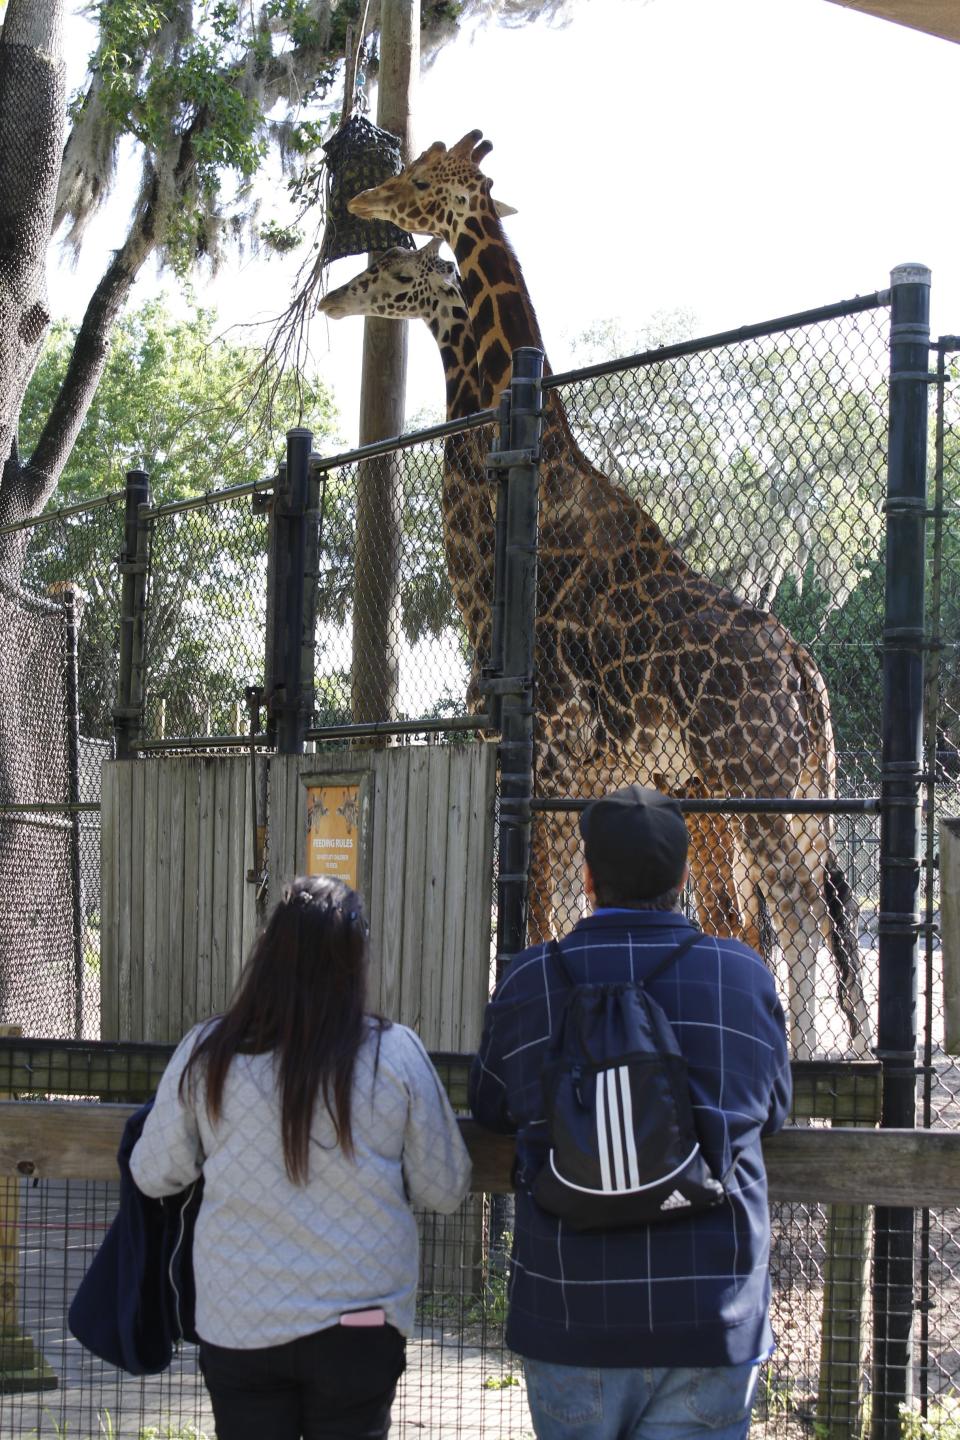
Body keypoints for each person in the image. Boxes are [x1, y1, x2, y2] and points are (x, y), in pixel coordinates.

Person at [469, 785, 792, 1440]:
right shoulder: (743, 976)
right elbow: (774, 1110)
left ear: (588, 878)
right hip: (711, 1311)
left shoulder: (531, 978)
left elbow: (491, 1107)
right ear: (681, 877)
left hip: (570, 1313)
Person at [130, 874, 471, 1440]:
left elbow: (154, 1172)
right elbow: (446, 1186)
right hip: (359, 1325)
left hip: (240, 1323)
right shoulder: (395, 1054)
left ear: (267, 953)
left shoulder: (209, 1053)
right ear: (355, 958)